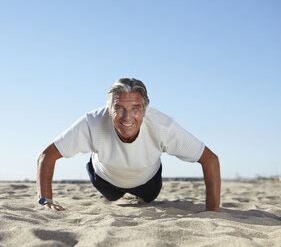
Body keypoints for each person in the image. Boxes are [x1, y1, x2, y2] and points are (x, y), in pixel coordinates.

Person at [37, 78, 221, 212]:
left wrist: (212, 210)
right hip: (105, 178)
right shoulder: (91, 122)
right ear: (109, 110)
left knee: (148, 198)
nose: (127, 117)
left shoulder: (163, 126)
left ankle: (139, 191)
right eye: (119, 108)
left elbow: (210, 160)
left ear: (144, 110)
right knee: (113, 197)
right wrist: (45, 200)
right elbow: (46, 156)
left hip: (147, 180)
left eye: (135, 108)